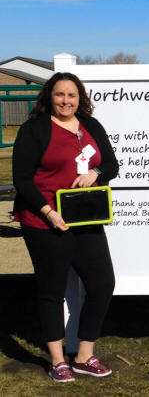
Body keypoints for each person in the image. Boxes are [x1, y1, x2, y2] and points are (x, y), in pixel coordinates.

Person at [12, 72, 118, 382]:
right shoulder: (34, 129)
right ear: (50, 96)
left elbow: (111, 165)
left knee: (102, 284)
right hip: (44, 221)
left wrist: (95, 173)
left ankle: (84, 356)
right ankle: (58, 361)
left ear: (79, 98)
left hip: (85, 219)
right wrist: (48, 212)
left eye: (72, 95)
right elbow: (22, 180)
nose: (66, 101)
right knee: (52, 290)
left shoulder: (91, 126)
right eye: (60, 94)